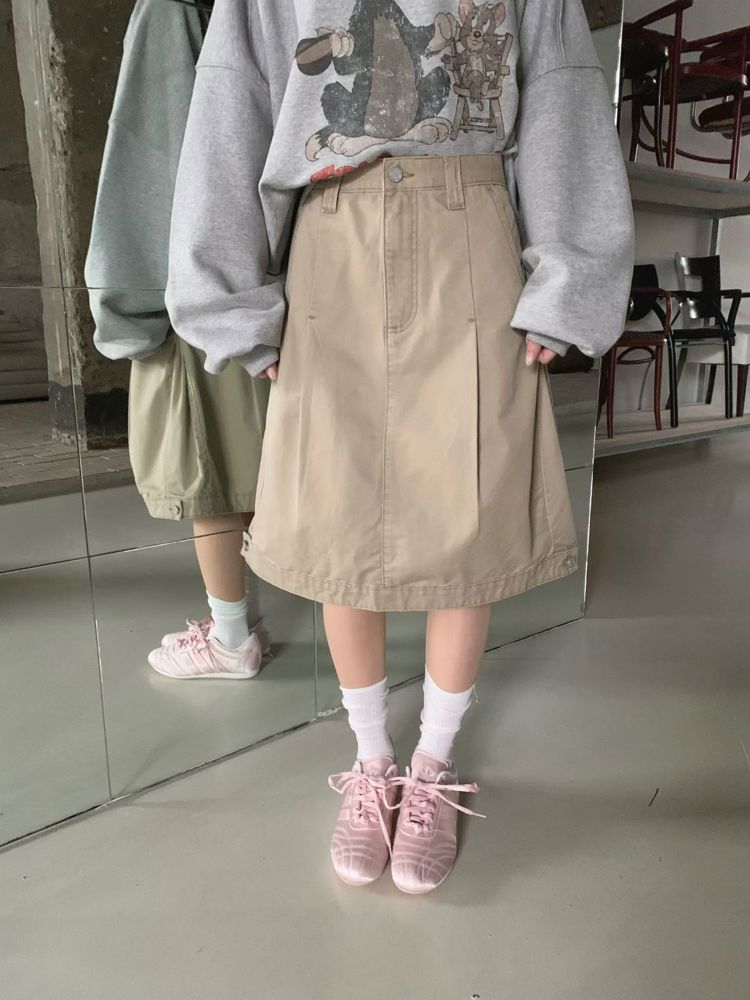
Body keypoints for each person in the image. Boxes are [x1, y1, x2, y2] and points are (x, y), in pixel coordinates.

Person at [166, 0, 634, 892]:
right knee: (342, 516)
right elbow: (233, 104)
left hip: (473, 235)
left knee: (468, 507)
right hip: (332, 232)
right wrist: (230, 305)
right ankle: (372, 760)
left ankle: (434, 764)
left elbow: (563, 93)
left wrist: (568, 278)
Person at [85, 0, 272, 680]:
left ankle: (231, 640)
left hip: (197, 277)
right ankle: (243, 623)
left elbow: (147, 154)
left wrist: (122, 306)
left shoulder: (172, 10)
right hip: (279, 272)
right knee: (256, 457)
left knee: (209, 467)